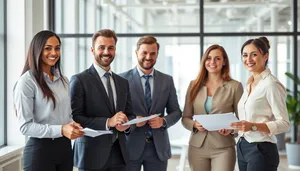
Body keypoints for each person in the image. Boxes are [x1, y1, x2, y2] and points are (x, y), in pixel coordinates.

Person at [13, 30, 84, 171]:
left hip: (64, 149)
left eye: (57, 48)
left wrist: (72, 125)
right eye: (48, 48)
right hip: (40, 152)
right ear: (37, 50)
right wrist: (61, 129)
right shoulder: (27, 82)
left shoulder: (64, 80)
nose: (54, 53)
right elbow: (25, 126)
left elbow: (66, 115)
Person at [71, 29, 135, 171]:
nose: (106, 52)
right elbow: (76, 117)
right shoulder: (79, 80)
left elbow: (131, 114)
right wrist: (108, 122)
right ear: (92, 50)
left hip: (119, 153)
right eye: (101, 47)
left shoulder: (122, 82)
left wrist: (127, 125)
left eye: (111, 48)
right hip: (91, 155)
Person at [119, 36, 182, 171]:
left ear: (157, 54)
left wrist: (163, 121)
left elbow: (176, 112)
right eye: (144, 53)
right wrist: (133, 121)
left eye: (153, 53)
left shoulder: (167, 80)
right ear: (136, 53)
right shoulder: (121, 79)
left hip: (157, 148)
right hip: (130, 147)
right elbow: (117, 113)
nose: (148, 57)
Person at [230, 37, 290, 171]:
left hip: (261, 149)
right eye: (245, 55)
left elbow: (284, 123)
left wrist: (253, 126)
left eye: (254, 54)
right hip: (243, 146)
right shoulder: (250, 83)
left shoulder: (271, 84)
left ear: (265, 56)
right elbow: (250, 119)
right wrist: (235, 128)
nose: (248, 59)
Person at [181, 44, 243, 171]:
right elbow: (185, 118)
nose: (212, 62)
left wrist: (231, 130)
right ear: (204, 61)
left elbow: (242, 119)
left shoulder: (235, 86)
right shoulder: (194, 85)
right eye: (208, 58)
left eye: (217, 58)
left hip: (223, 147)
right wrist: (194, 124)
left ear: (224, 61)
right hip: (197, 147)